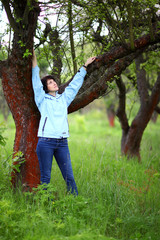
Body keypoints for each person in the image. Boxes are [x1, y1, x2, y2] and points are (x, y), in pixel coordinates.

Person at [32, 49, 96, 195]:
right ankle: (45, 206)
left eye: (54, 81)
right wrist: (34, 57)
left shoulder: (63, 98)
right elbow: (35, 78)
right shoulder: (41, 99)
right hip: (46, 142)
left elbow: (74, 85)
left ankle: (76, 203)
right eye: (50, 82)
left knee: (69, 177)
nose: (54, 83)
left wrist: (84, 67)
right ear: (45, 87)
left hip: (62, 142)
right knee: (46, 178)